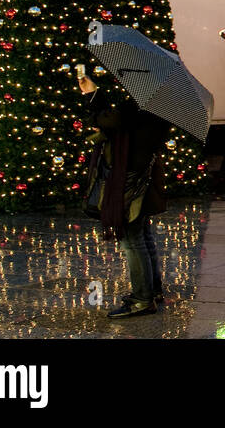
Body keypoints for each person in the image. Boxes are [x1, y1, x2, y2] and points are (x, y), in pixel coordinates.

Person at [81, 72, 168, 319]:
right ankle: (153, 291)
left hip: (130, 180)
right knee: (142, 234)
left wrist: (92, 96)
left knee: (132, 239)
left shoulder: (140, 104)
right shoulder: (159, 103)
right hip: (141, 177)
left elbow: (111, 120)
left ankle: (142, 299)